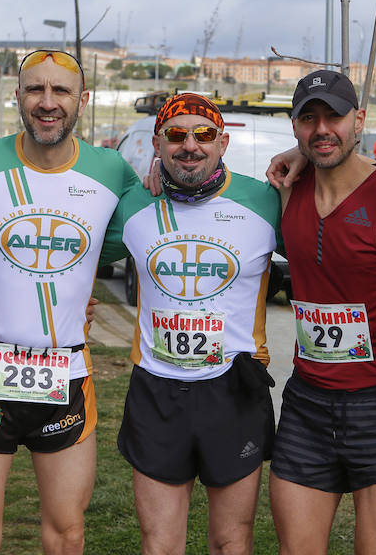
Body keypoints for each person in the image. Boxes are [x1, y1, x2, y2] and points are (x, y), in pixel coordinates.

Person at [0, 49, 137, 555]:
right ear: (17, 96)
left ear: (83, 101)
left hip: (65, 374)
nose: (47, 102)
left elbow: (149, 225)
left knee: (68, 532)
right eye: (35, 89)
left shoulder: (112, 170)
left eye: (61, 91)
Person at [100, 93, 279, 555]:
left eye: (203, 135)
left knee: (231, 541)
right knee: (159, 543)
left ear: (223, 143)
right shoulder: (135, 204)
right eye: (176, 135)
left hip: (234, 388)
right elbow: (76, 256)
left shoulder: (264, 201)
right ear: (158, 145)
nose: (190, 146)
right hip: (157, 390)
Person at [264, 70, 376, 554]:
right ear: (294, 126)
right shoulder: (284, 188)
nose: (321, 129)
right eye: (308, 119)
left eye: (334, 116)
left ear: (360, 120)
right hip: (306, 404)